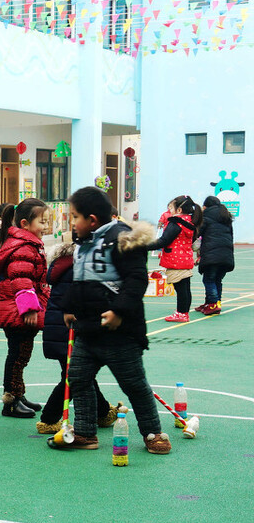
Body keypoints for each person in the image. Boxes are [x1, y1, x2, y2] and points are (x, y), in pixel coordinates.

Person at [48, 186, 169, 454]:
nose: (72, 222)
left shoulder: (122, 240)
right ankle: (85, 433)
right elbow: (79, 281)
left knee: (134, 384)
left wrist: (119, 312)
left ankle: (153, 433)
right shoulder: (82, 244)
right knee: (77, 378)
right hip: (88, 332)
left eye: (75, 216)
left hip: (120, 332)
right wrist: (69, 307)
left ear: (92, 220)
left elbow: (136, 280)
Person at [36, 240, 119, 435]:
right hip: (69, 330)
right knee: (74, 376)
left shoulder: (62, 269)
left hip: (57, 331)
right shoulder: (78, 271)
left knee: (81, 373)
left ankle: (103, 412)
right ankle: (49, 418)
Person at [0, 199, 51, 418]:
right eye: (42, 222)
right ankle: (10, 401)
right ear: (25, 223)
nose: (46, 226)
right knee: (16, 355)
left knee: (22, 354)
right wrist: (29, 308)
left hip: (19, 307)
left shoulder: (28, 243)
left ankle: (19, 394)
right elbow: (20, 278)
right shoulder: (23, 247)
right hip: (18, 310)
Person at [145, 195, 197, 323]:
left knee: (180, 289)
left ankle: (181, 313)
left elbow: (164, 240)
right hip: (185, 257)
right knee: (185, 287)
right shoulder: (190, 222)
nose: (169, 211)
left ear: (179, 210)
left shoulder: (175, 222)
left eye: (171, 208)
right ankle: (184, 313)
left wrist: (144, 246)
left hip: (175, 259)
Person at [194, 195, 235, 315]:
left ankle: (212, 303)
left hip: (212, 254)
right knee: (217, 279)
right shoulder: (226, 217)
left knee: (209, 279)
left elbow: (198, 233)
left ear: (206, 206)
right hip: (226, 254)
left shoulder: (206, 216)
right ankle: (214, 302)